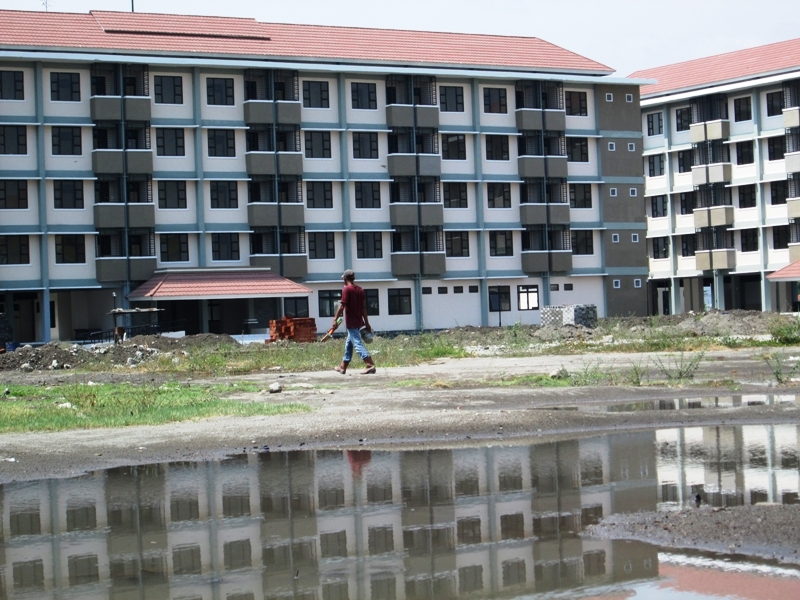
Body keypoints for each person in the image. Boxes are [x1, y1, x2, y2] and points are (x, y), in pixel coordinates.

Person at [333, 269, 376, 374]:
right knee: (349, 344)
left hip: (351, 323)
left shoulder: (347, 289)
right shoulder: (360, 290)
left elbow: (342, 305)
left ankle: (369, 364)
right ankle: (343, 367)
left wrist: (335, 319)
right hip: (359, 322)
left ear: (345, 278)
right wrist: (367, 323)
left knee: (356, 343)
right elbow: (363, 308)